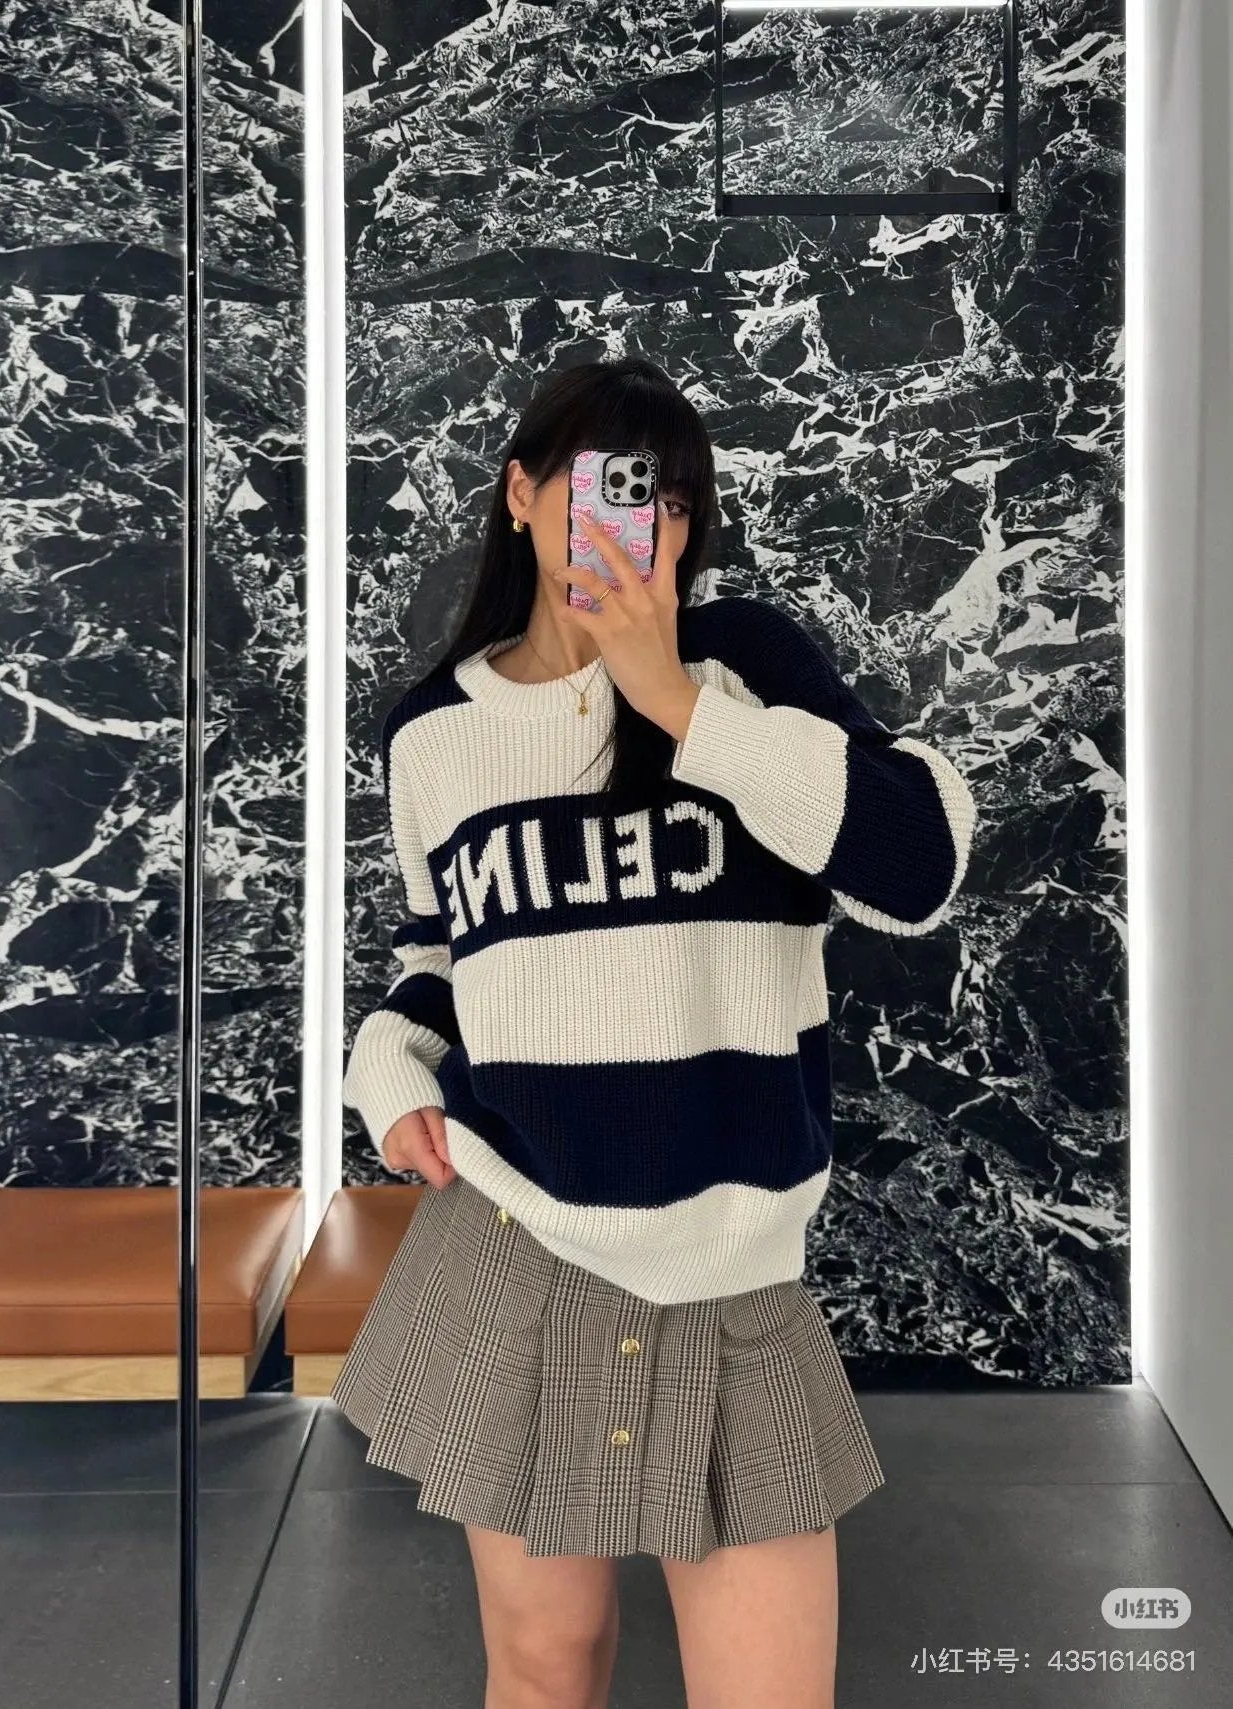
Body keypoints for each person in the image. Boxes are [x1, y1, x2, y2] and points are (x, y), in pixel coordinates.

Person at [331, 355, 977, 1709]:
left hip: (728, 1266)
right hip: (513, 1243)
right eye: (609, 488)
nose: (644, 525)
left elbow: (917, 867)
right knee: (544, 1667)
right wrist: (387, 1068)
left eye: (673, 500)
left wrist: (672, 697)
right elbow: (443, 957)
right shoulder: (433, 734)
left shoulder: (747, 666)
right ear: (521, 495)